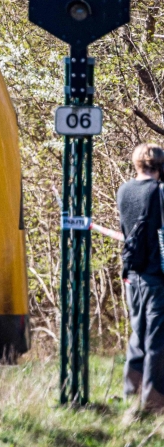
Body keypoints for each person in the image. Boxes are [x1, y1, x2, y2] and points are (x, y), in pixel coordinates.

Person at [119, 143, 164, 411]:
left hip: (131, 274)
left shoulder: (124, 191)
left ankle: (131, 395)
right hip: (155, 276)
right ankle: (154, 402)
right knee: (157, 340)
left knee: (138, 334)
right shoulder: (159, 193)